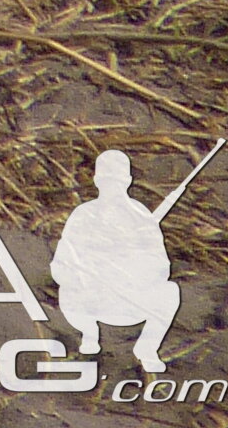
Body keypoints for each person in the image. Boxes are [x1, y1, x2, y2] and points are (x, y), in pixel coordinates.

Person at [54, 150, 183, 375]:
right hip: (90, 298)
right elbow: (61, 262)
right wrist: (84, 276)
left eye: (118, 181)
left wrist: (134, 272)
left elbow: (162, 265)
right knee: (67, 290)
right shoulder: (83, 215)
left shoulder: (141, 217)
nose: (112, 187)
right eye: (107, 181)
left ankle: (147, 349)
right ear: (96, 181)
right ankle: (89, 334)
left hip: (130, 298)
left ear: (128, 181)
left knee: (170, 292)